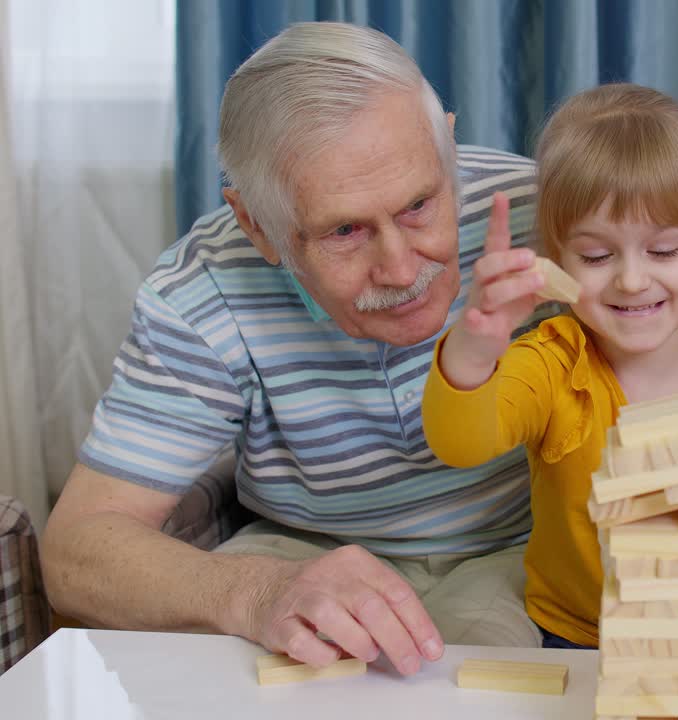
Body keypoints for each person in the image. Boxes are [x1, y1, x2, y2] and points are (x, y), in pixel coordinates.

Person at [39, 22, 551, 676]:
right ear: (256, 225)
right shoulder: (199, 292)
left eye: (420, 204)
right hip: (303, 549)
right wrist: (259, 593)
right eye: (345, 231)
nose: (402, 269)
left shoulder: (545, 211)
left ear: (446, 143)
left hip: (514, 547)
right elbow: (76, 551)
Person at [422, 83, 678, 654]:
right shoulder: (552, 363)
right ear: (557, 258)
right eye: (596, 256)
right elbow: (460, 443)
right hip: (568, 634)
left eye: (663, 251)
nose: (632, 281)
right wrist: (474, 347)